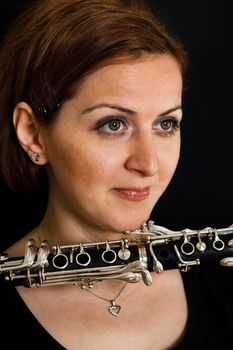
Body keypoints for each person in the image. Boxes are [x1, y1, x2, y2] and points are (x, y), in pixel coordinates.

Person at [0, 0, 232, 349]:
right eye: (113, 124)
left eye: (166, 124)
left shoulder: (222, 282)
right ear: (33, 133)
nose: (148, 164)